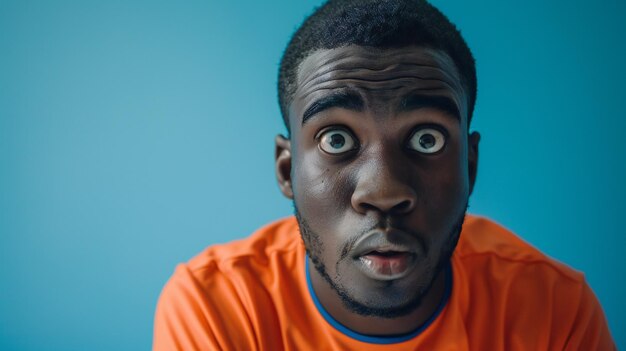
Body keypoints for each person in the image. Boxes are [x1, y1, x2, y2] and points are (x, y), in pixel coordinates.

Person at [153, 0, 615, 349]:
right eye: (337, 139)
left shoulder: (554, 309)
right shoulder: (218, 307)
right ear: (287, 170)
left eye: (426, 139)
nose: (384, 191)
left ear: (469, 167)